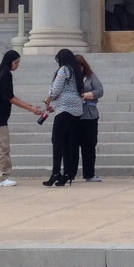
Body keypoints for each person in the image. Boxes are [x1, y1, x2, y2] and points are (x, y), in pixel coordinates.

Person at [0, 50, 39, 187]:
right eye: (16, 62)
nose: (17, 65)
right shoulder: (6, 75)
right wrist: (30, 109)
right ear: (9, 62)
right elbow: (10, 98)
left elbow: (9, 94)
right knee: (2, 148)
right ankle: (1, 177)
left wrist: (27, 104)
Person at [42, 48, 85, 187]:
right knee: (67, 142)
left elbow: (56, 88)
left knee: (56, 140)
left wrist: (49, 98)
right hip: (77, 109)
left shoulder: (64, 70)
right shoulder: (76, 71)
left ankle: (55, 173)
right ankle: (67, 173)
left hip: (64, 108)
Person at [74, 54, 104, 183]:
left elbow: (100, 90)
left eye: (80, 66)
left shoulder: (90, 77)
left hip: (89, 115)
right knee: (73, 146)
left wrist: (85, 95)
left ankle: (89, 173)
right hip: (74, 115)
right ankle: (71, 172)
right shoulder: (69, 78)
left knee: (89, 145)